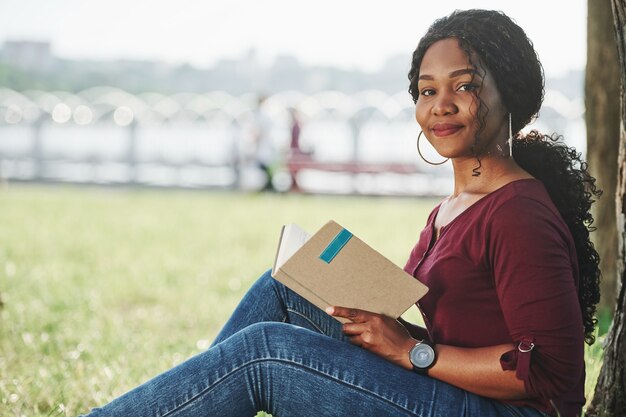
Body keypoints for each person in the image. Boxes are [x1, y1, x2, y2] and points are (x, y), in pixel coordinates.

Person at [81, 9, 600, 417]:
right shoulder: (455, 205)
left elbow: (552, 379)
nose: (440, 104)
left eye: (464, 86)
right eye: (426, 90)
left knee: (267, 352)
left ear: (506, 92)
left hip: (501, 412)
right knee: (286, 286)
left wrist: (411, 352)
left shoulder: (519, 213)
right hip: (455, 390)